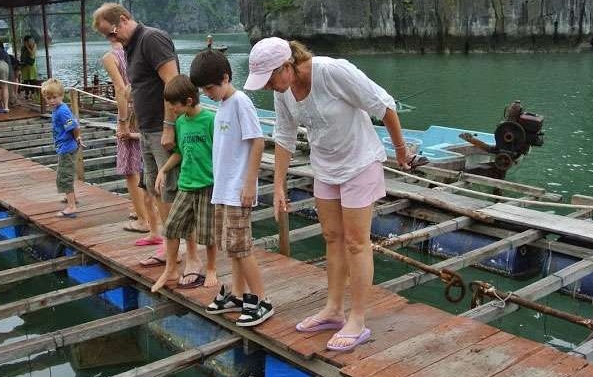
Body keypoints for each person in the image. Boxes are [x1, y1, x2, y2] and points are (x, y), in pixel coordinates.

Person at [244, 37, 410, 352]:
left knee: (356, 242)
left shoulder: (333, 71)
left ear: (286, 66)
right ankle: (334, 310)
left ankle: (357, 318)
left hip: (359, 163)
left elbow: (384, 106)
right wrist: (278, 184)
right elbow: (284, 135)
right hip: (325, 168)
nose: (267, 87)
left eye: (269, 79)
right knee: (332, 236)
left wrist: (401, 150)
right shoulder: (283, 91)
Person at [92, 3, 201, 281]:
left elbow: (173, 83)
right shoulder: (129, 47)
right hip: (146, 129)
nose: (111, 39)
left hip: (161, 129)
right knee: (157, 190)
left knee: (177, 191)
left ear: (123, 19)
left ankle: (193, 254)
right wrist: (130, 102)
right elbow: (142, 83)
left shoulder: (152, 39)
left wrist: (169, 127)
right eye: (107, 36)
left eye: (111, 32)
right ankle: (169, 246)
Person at [190, 49, 274, 327]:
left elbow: (258, 141)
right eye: (204, 90)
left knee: (242, 247)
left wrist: (249, 183)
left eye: (210, 88)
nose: (207, 94)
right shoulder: (224, 104)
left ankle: (261, 298)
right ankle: (238, 294)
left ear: (225, 78)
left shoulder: (240, 102)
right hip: (224, 189)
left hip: (238, 189)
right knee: (231, 246)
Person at [150, 75, 217, 292]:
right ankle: (170, 268)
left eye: (173, 104)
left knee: (207, 233)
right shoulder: (180, 123)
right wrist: (163, 170)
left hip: (207, 185)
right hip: (186, 184)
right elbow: (179, 153)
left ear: (188, 101)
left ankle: (211, 269)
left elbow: (220, 152)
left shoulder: (210, 120)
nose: (171, 109)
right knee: (171, 227)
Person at [101, 41, 159, 245]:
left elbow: (120, 88)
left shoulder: (111, 57)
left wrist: (123, 122)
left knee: (130, 168)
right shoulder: (137, 52)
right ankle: (145, 210)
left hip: (130, 109)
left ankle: (143, 219)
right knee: (146, 163)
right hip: (146, 108)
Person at [42, 78, 86, 217]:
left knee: (64, 176)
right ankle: (71, 198)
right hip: (63, 146)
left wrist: (77, 138)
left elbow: (74, 126)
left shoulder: (62, 111)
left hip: (67, 147)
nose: (52, 101)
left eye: (54, 97)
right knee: (64, 173)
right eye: (49, 98)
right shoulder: (57, 109)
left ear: (61, 96)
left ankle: (72, 206)